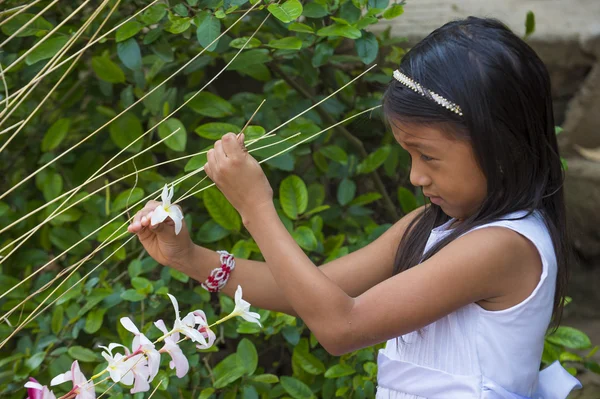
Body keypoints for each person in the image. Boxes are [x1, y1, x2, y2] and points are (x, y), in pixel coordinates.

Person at [127, 16, 582, 399]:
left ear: (499, 148)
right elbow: (309, 292)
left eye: (428, 156)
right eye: (409, 156)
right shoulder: (436, 225)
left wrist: (255, 207)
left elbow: (341, 327)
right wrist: (189, 258)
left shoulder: (504, 245)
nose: (415, 176)